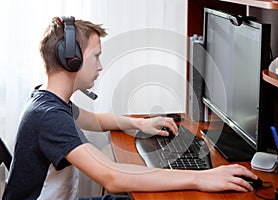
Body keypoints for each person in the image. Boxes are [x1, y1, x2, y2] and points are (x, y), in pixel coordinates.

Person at [3, 16, 258, 200]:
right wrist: (201, 178)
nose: (100, 66)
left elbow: (96, 121)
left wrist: (139, 123)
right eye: (96, 56)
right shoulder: (49, 117)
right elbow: (112, 178)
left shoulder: (48, 100)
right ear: (72, 60)